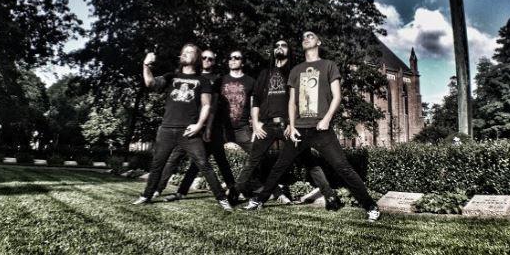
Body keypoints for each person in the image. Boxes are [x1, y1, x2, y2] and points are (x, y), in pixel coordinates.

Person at [244, 32, 381, 222]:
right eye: (303, 37)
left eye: (311, 36)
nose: (306, 38)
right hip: (299, 129)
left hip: (321, 129)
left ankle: (370, 206)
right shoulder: (296, 70)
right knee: (279, 167)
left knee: (342, 167)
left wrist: (327, 119)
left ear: (319, 41)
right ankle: (259, 200)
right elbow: (292, 102)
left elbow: (337, 96)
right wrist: (292, 126)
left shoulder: (329, 65)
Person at [234, 39, 341, 210]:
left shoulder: (296, 71)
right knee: (252, 161)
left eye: (283, 45)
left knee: (308, 160)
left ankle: (330, 195)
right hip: (267, 126)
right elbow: (256, 100)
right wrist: (255, 123)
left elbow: (301, 100)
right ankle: (234, 195)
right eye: (276, 46)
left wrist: (293, 124)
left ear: (288, 50)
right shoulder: (264, 73)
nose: (279, 48)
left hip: (289, 126)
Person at [132, 44, 233, 211]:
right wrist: (146, 65)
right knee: (157, 164)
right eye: (184, 52)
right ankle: (146, 196)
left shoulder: (203, 81)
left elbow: (207, 105)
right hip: (166, 129)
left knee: (203, 164)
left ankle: (222, 199)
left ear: (197, 57)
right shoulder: (171, 76)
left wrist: (199, 125)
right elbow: (150, 83)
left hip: (188, 131)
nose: (185, 54)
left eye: (190, 52)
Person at [154, 50, 237, 202]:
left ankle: (234, 191)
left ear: (214, 62)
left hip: (209, 127)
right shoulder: (190, 75)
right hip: (187, 126)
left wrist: (208, 128)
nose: (207, 60)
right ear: (199, 58)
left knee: (217, 159)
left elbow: (213, 105)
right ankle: (158, 189)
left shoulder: (216, 80)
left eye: (211, 59)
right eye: (204, 57)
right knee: (175, 157)